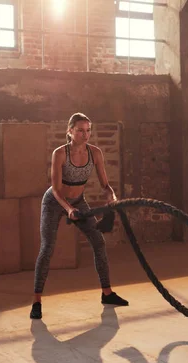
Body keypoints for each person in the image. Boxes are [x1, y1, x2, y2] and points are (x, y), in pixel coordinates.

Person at [30, 112, 128, 320]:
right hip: (54, 203)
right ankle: (37, 301)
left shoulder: (95, 153)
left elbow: (105, 185)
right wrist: (68, 209)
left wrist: (111, 197)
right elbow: (56, 190)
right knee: (47, 248)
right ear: (70, 131)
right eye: (80, 130)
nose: (85, 135)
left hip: (78, 202)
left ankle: (107, 293)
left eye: (88, 130)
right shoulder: (60, 153)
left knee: (98, 242)